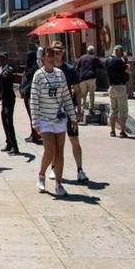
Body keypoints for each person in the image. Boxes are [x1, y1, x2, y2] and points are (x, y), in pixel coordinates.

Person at [31, 46, 78, 196]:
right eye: (48, 56)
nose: (51, 58)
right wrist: (35, 122)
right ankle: (41, 174)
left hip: (59, 119)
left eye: (53, 56)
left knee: (60, 152)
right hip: (45, 119)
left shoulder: (60, 74)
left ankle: (58, 184)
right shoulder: (38, 76)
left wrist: (73, 117)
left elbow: (66, 97)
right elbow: (34, 100)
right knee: (50, 150)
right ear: (43, 58)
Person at [50, 41, 88, 182]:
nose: (57, 54)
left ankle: (80, 170)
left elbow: (77, 90)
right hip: (53, 111)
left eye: (59, 51)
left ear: (63, 53)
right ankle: (54, 168)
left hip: (69, 109)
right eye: (54, 51)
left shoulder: (70, 69)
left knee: (74, 140)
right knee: (55, 143)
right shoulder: (48, 69)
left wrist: (79, 108)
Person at [0, 52, 18, 155]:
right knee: (4, 121)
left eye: (3, 58)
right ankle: (9, 143)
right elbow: (0, 89)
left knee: (9, 123)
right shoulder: (0, 70)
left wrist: (5, 73)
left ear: (7, 59)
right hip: (4, 99)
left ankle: (15, 147)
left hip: (9, 99)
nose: (1, 60)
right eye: (0, 58)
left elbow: (11, 76)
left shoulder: (8, 70)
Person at [105, 45, 130, 138]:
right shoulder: (119, 61)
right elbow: (128, 71)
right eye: (121, 51)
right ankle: (122, 132)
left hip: (111, 87)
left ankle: (112, 131)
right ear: (118, 51)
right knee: (123, 110)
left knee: (113, 109)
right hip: (120, 87)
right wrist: (125, 61)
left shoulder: (107, 60)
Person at [20, 51, 41, 144]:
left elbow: (31, 82)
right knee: (31, 116)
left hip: (31, 96)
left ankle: (36, 136)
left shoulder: (35, 69)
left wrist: (24, 90)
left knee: (33, 116)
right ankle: (33, 134)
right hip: (26, 95)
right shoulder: (29, 67)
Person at [75, 46, 101, 116]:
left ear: (87, 51)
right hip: (91, 77)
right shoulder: (95, 58)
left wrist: (77, 77)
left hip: (82, 78)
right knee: (91, 93)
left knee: (83, 94)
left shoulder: (82, 57)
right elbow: (100, 66)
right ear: (94, 51)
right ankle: (91, 108)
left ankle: (83, 108)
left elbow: (77, 68)